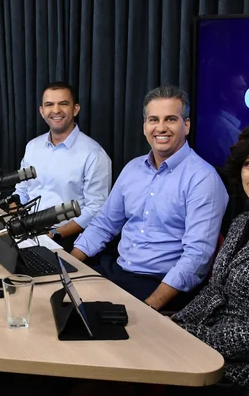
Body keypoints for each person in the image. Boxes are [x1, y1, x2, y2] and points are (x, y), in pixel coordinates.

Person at [5, 122, 249, 396]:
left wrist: (178, 333)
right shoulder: (244, 223)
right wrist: (167, 322)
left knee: (117, 387)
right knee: (115, 372)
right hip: (213, 344)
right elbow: (214, 292)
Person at [70, 85, 228, 311]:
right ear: (145, 127)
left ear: (187, 125)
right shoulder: (133, 169)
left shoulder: (203, 179)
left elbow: (197, 258)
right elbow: (103, 225)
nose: (160, 128)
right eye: (153, 119)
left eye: (171, 119)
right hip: (117, 272)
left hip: (161, 287)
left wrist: (150, 307)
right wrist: (69, 265)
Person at [13, 82, 111, 251]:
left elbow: (96, 209)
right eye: (49, 105)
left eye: (63, 104)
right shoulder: (32, 147)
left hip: (65, 238)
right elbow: (22, 191)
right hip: (26, 232)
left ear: (75, 109)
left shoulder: (94, 154)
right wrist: (11, 218)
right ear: (42, 111)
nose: (56, 110)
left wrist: (54, 234)